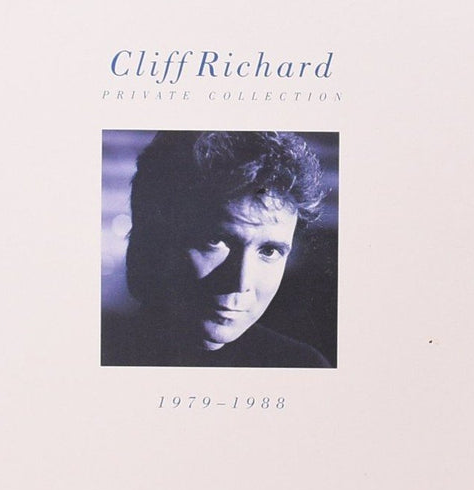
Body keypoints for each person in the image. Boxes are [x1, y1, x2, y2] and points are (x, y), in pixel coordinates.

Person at [102, 130, 332, 367]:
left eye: (269, 251)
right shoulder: (95, 354)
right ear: (151, 238)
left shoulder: (303, 367)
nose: (240, 283)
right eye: (214, 240)